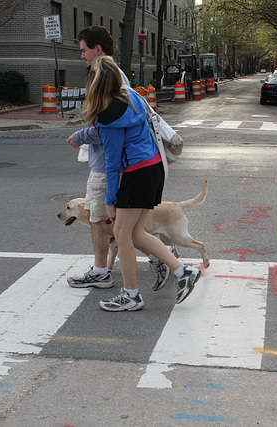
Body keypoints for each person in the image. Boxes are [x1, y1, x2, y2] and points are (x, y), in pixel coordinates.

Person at [81, 56, 200, 312]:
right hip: (153, 168)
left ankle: (131, 295)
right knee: (135, 233)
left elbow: (112, 163)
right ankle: (183, 271)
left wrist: (110, 200)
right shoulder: (132, 97)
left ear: (95, 86)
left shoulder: (108, 115)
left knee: (121, 235)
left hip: (136, 174)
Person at [66, 26, 172, 291]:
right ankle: (110, 269)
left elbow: (110, 130)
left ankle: (157, 258)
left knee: (116, 227)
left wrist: (82, 135)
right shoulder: (114, 80)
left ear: (97, 49)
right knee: (103, 221)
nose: (82, 56)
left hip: (111, 165)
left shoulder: (109, 80)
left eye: (83, 50)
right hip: (130, 166)